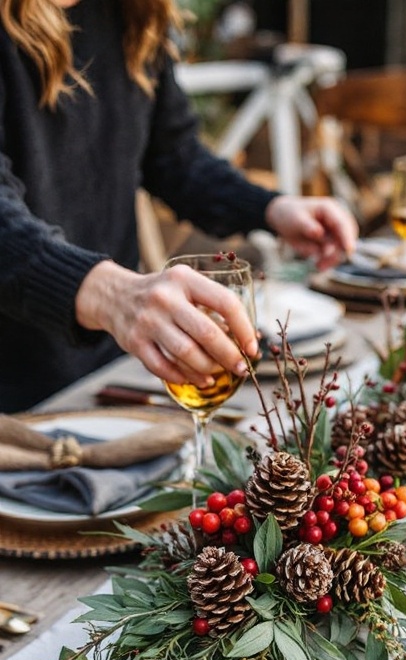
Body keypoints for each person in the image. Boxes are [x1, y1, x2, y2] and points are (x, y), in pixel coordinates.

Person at [0, 0, 358, 414]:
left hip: (112, 377)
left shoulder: (137, 11)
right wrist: (113, 295)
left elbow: (174, 157)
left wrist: (271, 208)